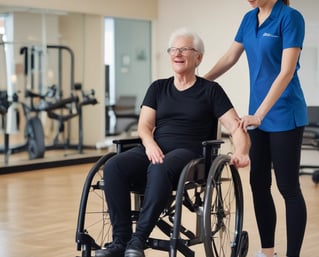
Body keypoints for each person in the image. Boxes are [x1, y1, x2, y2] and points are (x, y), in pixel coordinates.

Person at [95, 28, 250, 257]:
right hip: (155, 148)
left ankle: (138, 240)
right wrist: (149, 143)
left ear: (198, 57)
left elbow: (235, 128)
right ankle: (121, 241)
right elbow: (144, 126)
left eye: (185, 49)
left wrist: (242, 151)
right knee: (113, 166)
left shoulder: (210, 91)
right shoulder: (158, 87)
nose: (178, 54)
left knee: (160, 166)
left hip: (191, 155)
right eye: (173, 49)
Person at [204, 1, 307, 257]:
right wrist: (201, 83)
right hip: (256, 117)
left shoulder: (290, 17)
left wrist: (260, 114)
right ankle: (267, 252)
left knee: (288, 188)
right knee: (258, 184)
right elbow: (230, 57)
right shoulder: (249, 19)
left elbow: (286, 71)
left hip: (285, 114)